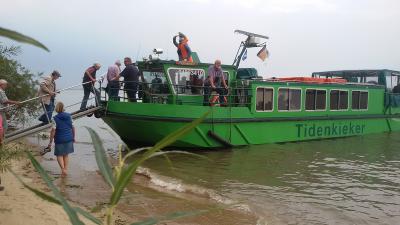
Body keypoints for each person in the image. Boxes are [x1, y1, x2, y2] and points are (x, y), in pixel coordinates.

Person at [47, 102, 75, 177]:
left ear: (56, 109)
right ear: (63, 108)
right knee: (66, 155)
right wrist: (73, 137)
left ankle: (63, 169)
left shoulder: (54, 118)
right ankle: (65, 169)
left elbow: (53, 130)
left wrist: (50, 142)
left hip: (59, 139)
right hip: (69, 138)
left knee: (59, 155)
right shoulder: (69, 116)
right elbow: (73, 127)